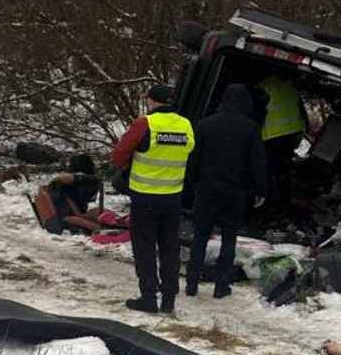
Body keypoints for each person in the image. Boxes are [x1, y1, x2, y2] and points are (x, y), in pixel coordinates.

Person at [111, 84, 195, 314]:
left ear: (151, 101)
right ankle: (169, 300)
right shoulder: (185, 124)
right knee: (170, 248)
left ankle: (148, 298)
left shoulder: (144, 123)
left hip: (145, 198)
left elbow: (118, 156)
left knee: (145, 248)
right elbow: (189, 151)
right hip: (172, 198)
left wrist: (130, 165)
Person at [185, 84, 268, 299]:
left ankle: (191, 283)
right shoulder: (250, 128)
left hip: (207, 190)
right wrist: (260, 190)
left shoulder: (204, 125)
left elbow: (194, 158)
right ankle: (221, 285)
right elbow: (257, 162)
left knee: (200, 237)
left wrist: (193, 183)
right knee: (229, 239)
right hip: (234, 192)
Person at [258, 73, 306, 212]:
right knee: (282, 168)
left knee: (270, 169)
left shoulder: (263, 87)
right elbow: (302, 112)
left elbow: (257, 115)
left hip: (273, 136)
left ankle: (270, 201)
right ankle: (284, 199)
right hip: (293, 133)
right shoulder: (290, 88)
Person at [39, 154, 104, 235]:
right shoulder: (66, 184)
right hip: (63, 219)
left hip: (69, 214)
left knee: (101, 213)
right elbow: (63, 179)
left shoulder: (69, 185)